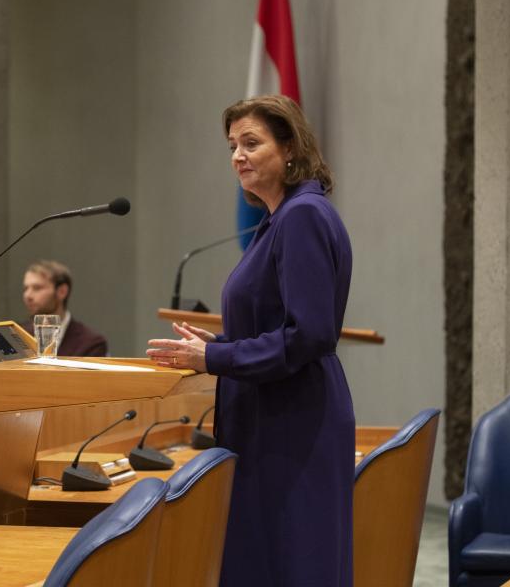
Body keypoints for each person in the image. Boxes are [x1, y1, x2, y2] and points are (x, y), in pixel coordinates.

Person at [147, 95, 355, 586]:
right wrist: (218, 342)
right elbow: (279, 323)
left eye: (251, 143)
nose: (237, 155)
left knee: (290, 563)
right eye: (232, 146)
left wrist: (215, 356)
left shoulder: (301, 216)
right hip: (273, 417)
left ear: (288, 148)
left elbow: (309, 334)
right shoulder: (279, 219)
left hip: (290, 424)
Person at [22, 260, 107, 357]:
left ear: (62, 291)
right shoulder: (18, 335)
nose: (27, 295)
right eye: (25, 288)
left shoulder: (91, 343)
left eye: (37, 288)